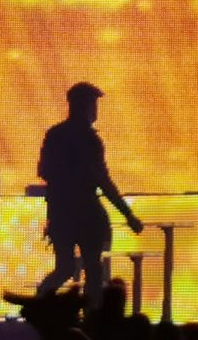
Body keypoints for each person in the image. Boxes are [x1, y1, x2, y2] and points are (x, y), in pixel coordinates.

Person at [35, 81, 142, 305]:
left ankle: (40, 303)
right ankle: (92, 315)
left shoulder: (55, 134)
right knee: (94, 270)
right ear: (85, 106)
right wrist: (128, 214)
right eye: (93, 104)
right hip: (86, 214)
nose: (95, 110)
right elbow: (103, 181)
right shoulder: (89, 139)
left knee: (65, 267)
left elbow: (43, 171)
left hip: (60, 213)